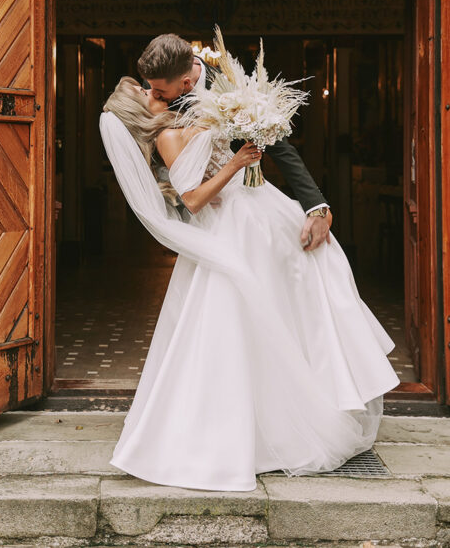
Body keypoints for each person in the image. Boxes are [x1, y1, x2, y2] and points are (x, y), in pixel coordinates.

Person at [100, 76, 399, 491]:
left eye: (153, 88)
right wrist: (234, 164)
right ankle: (251, 427)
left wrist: (307, 197)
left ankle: (313, 396)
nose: (154, 93)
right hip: (235, 227)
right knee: (241, 322)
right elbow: (193, 198)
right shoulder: (167, 133)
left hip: (262, 211)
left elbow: (258, 154)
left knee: (301, 298)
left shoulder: (200, 101)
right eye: (145, 93)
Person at [138, 33, 333, 251]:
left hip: (243, 201)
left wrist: (316, 206)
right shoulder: (155, 84)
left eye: (160, 92)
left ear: (185, 83)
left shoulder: (232, 85)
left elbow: (279, 146)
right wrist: (188, 187)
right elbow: (147, 142)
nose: (153, 94)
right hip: (201, 211)